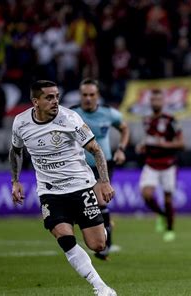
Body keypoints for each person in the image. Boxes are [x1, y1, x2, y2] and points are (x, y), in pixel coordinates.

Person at [9, 80, 117, 296]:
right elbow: (16, 151)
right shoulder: (20, 123)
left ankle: (103, 225)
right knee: (65, 239)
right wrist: (15, 180)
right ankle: (101, 287)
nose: (55, 101)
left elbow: (96, 150)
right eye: (49, 97)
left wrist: (104, 181)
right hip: (50, 192)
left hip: (80, 187)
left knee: (98, 245)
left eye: (57, 96)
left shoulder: (69, 119)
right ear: (35, 101)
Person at [71, 78, 130, 260]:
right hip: (78, 167)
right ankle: (104, 230)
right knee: (85, 206)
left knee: (100, 201)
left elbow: (124, 128)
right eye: (84, 95)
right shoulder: (71, 114)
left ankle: (105, 245)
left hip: (102, 165)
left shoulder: (108, 113)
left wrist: (121, 148)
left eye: (92, 95)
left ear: (97, 95)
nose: (88, 98)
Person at [137, 89, 184, 242]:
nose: (155, 102)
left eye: (158, 99)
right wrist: (142, 146)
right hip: (151, 163)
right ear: (150, 102)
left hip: (168, 165)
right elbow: (148, 140)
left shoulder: (171, 120)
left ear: (163, 102)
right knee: (147, 195)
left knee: (168, 199)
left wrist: (163, 144)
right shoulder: (146, 120)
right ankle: (162, 215)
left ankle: (170, 229)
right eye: (153, 100)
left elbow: (182, 144)